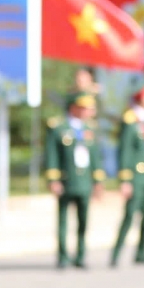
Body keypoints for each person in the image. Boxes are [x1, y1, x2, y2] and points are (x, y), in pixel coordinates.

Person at [45, 93, 102, 269]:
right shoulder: (58, 127)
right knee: (63, 220)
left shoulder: (89, 128)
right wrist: (53, 179)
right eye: (85, 108)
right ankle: (63, 256)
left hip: (84, 181)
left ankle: (81, 255)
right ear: (74, 108)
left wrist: (98, 181)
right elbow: (52, 155)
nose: (89, 112)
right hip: (66, 180)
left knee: (83, 220)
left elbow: (95, 157)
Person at [112, 84, 144, 266]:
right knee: (129, 216)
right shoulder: (130, 120)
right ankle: (116, 254)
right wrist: (125, 179)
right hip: (135, 177)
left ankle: (141, 253)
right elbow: (125, 151)